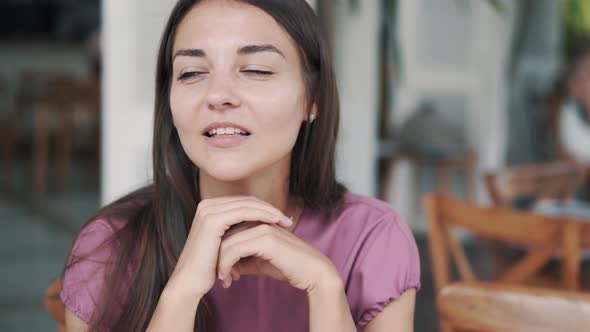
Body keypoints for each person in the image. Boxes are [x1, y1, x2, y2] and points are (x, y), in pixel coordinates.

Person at [60, 1, 420, 331]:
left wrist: (325, 288)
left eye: (255, 69)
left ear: (314, 99)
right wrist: (181, 291)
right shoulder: (110, 246)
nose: (218, 95)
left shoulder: (374, 240)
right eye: (191, 73)